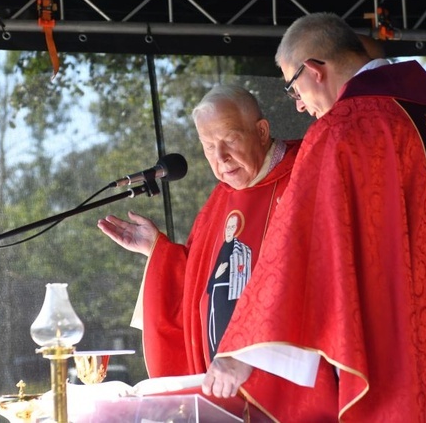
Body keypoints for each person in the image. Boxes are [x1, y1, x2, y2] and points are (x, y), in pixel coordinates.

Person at [202, 13, 426, 422]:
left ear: (314, 71)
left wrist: (243, 352)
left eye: (294, 89)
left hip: (406, 351)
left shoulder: (343, 130)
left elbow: (299, 252)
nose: (301, 104)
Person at [97, 84, 301, 378]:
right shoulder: (220, 200)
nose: (221, 156)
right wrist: (158, 251)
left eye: (230, 139)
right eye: (208, 146)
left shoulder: (306, 173)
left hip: (284, 376)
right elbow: (195, 279)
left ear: (261, 131)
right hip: (223, 382)